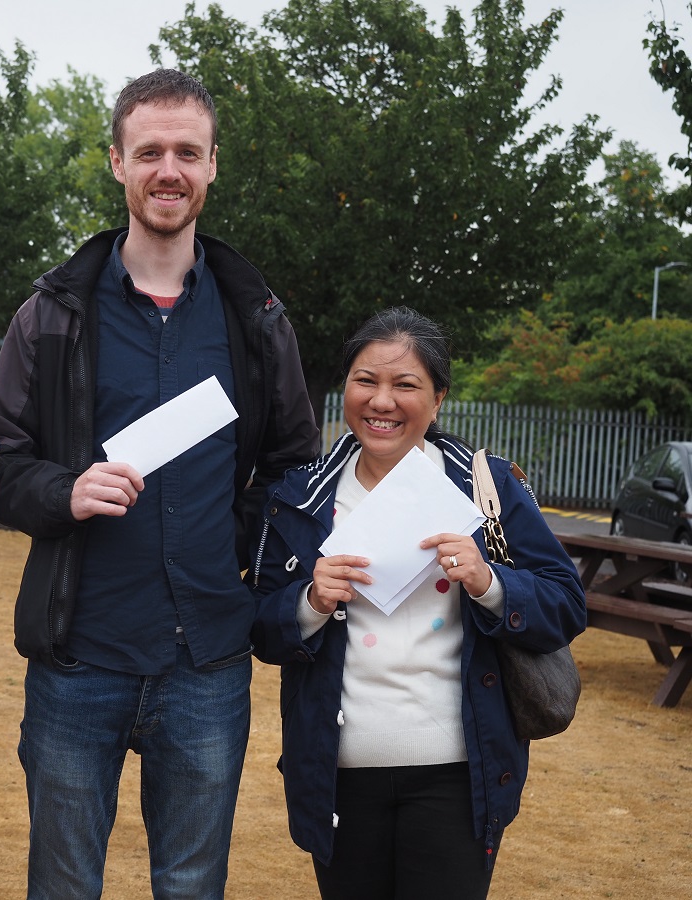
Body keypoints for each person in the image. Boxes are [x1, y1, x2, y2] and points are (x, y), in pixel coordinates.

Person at [0, 68, 320, 898]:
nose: (169, 169)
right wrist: (63, 493)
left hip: (207, 658)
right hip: (78, 656)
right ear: (117, 163)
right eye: (151, 151)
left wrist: (234, 538)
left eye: (187, 153)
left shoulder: (256, 318)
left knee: (193, 886)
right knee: (63, 886)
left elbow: (293, 469)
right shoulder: (52, 314)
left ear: (211, 168)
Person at [250, 306, 587, 900]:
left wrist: (490, 583)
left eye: (406, 385)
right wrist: (307, 602)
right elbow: (258, 624)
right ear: (345, 389)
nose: (382, 401)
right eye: (366, 381)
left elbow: (566, 604)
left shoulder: (487, 487)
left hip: (458, 773)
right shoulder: (302, 496)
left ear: (437, 400)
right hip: (339, 774)